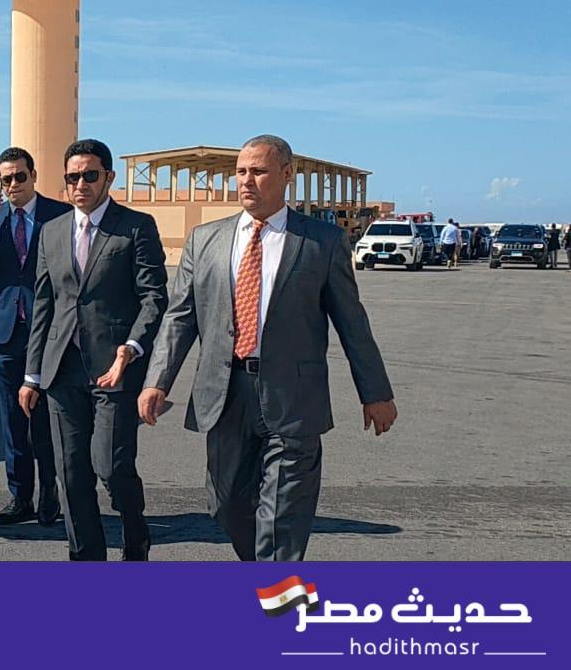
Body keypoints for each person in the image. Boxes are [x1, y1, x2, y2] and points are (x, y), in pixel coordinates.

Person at [138, 134, 397, 562]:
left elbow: (353, 324)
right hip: (225, 394)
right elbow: (179, 317)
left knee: (281, 520)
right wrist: (157, 380)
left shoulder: (322, 242)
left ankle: (275, 593)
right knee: (225, 505)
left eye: (258, 171)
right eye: (241, 171)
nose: (246, 180)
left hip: (293, 397)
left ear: (286, 175)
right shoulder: (205, 240)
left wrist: (375, 393)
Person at [18, 138, 169, 561]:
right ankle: (87, 563)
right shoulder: (52, 231)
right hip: (61, 370)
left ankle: (135, 534)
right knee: (71, 474)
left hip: (114, 370)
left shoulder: (136, 226)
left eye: (89, 175)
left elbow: (154, 297)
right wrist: (32, 375)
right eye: (73, 177)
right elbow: (44, 305)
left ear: (108, 177)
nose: (80, 184)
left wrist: (131, 347)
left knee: (111, 467)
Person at [0, 146, 71, 526]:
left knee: (46, 421)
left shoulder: (61, 215)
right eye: (6, 179)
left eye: (20, 176)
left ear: (33, 176)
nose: (14, 184)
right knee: (12, 422)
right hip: (5, 333)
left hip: (50, 333)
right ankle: (20, 497)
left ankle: (50, 494)